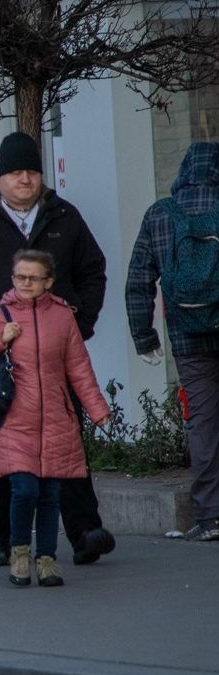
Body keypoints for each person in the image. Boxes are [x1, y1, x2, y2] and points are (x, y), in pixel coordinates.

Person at [0, 131, 116, 567]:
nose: (25, 180)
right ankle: (0, 535)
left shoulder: (63, 216)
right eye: (16, 172)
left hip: (52, 352)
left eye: (32, 171)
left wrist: (79, 322)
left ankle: (84, 530)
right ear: (0, 176)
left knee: (65, 441)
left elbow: (93, 271)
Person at [0, 250, 112, 586]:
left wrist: (98, 410)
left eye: (33, 278)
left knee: (49, 495)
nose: (25, 283)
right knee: (24, 489)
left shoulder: (62, 316)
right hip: (14, 419)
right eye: (19, 277)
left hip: (57, 418)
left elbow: (79, 369)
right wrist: (0, 338)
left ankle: (46, 559)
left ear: (49, 281)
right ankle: (19, 552)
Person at [125, 141, 219, 542]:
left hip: (187, 337)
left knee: (202, 424)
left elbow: (138, 281)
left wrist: (144, 337)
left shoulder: (160, 214)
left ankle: (211, 516)